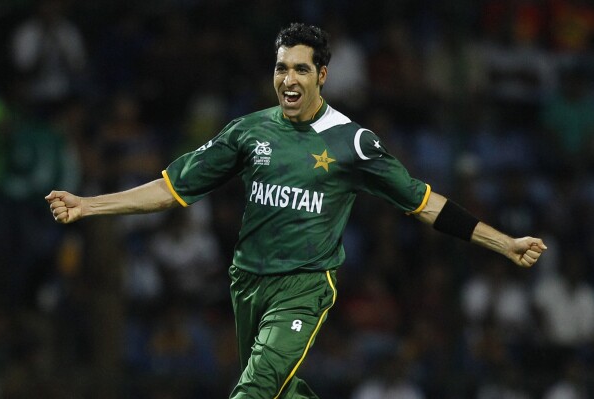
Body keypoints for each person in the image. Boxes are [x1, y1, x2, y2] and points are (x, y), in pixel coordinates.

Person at [46, 22, 547, 399]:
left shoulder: (354, 143)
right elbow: (172, 190)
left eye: (300, 68)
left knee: (254, 388)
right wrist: (86, 206)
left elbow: (423, 202)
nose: (288, 78)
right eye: (281, 67)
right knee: (279, 391)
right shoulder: (249, 131)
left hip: (305, 285)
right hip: (247, 282)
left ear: (322, 75)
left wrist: (505, 242)